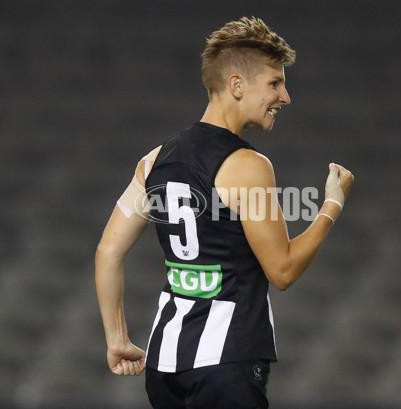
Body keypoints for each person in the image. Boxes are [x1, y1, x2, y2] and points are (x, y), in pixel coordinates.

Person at [95, 16, 354, 409]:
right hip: (225, 366)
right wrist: (331, 206)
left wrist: (116, 339)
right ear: (236, 85)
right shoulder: (248, 165)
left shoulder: (153, 162)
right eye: (274, 83)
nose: (285, 97)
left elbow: (108, 252)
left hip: (164, 366)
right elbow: (282, 271)